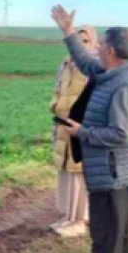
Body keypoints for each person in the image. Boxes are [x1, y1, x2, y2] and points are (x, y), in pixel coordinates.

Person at [50, 5, 128, 253]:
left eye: (99, 45)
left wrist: (84, 132)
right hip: (127, 172)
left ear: (109, 50)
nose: (95, 49)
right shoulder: (119, 71)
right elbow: (84, 62)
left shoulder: (121, 86)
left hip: (114, 174)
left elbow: (120, 134)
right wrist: (68, 32)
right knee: (125, 233)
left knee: (108, 236)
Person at [48, 26, 98, 238]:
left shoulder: (94, 68)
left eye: (85, 41)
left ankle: (79, 219)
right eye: (77, 40)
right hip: (63, 125)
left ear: (94, 43)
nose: (80, 45)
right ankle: (67, 215)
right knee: (66, 173)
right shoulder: (66, 64)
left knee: (79, 174)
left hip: (80, 127)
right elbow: (58, 90)